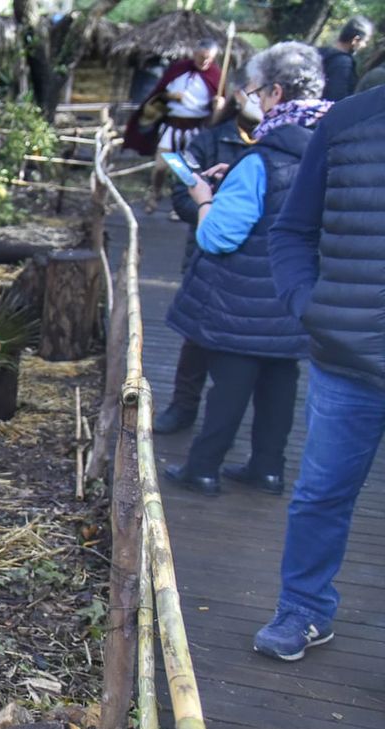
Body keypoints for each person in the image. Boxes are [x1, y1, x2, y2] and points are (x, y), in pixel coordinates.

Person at [162, 43, 329, 501]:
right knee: (279, 383)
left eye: (255, 91)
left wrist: (205, 199)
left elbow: (219, 236)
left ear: (276, 93)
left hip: (241, 300)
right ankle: (268, 469)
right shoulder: (327, 152)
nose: (252, 99)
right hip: (293, 297)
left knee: (230, 386)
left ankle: (203, 469)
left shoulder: (262, 160)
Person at [259, 54, 385, 662]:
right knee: (320, 495)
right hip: (346, 360)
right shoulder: (348, 122)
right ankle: (303, 608)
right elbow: (292, 229)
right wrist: (306, 303)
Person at [155, 86, 262, 436]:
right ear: (240, 96)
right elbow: (182, 195)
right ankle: (182, 406)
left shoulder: (273, 146)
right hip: (208, 256)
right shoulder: (209, 140)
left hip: (254, 266)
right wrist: (214, 208)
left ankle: (223, 428)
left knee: (239, 347)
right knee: (196, 337)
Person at [126, 39, 223, 213]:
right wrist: (170, 96)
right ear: (195, 53)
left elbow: (218, 115)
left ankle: (181, 206)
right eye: (202, 57)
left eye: (209, 58)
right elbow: (158, 96)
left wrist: (219, 106)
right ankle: (155, 195)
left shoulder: (216, 76)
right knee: (160, 166)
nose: (205, 62)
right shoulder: (179, 69)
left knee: (189, 171)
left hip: (195, 130)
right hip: (172, 126)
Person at [319, 16, 373, 101]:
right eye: (365, 42)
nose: (364, 46)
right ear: (355, 40)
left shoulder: (321, 52)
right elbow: (336, 97)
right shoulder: (344, 64)